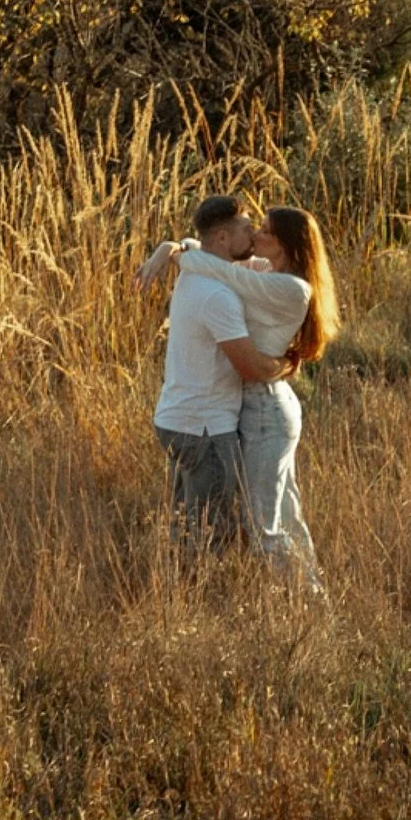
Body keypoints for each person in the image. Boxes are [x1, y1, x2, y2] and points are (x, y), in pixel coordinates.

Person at [138, 203, 340, 589]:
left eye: (264, 231)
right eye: (253, 228)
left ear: (285, 244)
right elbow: (218, 258)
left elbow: (223, 270)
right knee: (284, 515)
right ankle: (312, 593)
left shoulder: (291, 287)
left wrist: (175, 253)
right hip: (256, 404)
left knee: (262, 525)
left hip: (266, 406)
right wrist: (173, 246)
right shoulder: (266, 269)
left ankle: (307, 600)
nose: (256, 235)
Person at [143, 194, 292, 556]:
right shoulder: (217, 295)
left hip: (178, 418)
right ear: (223, 238)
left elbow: (196, 247)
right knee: (211, 533)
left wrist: (171, 246)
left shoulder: (198, 271)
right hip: (206, 428)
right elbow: (249, 369)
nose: (253, 235)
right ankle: (199, 587)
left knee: (186, 525)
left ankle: (177, 581)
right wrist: (288, 363)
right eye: (246, 229)